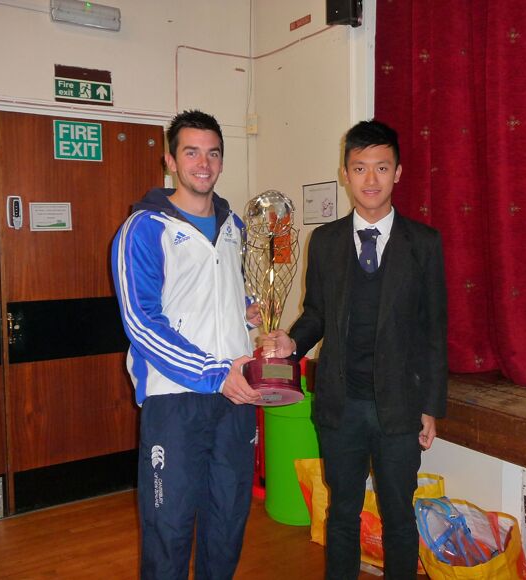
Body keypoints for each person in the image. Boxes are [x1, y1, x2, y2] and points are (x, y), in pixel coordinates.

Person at [263, 120, 448, 579]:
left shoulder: (424, 243)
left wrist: (431, 406)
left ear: (398, 172)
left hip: (399, 406)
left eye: (381, 167)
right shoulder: (325, 241)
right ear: (345, 173)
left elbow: (434, 331)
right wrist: (292, 341)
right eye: (360, 167)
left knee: (399, 515)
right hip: (341, 404)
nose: (370, 179)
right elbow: (316, 314)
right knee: (342, 512)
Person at [111, 109, 262, 580]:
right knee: (169, 528)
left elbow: (222, 292)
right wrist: (213, 374)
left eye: (213, 153)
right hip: (175, 400)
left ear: (222, 161)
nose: (203, 163)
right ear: (171, 161)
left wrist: (250, 312)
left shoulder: (235, 226)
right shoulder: (144, 228)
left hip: (235, 398)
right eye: (191, 152)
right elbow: (142, 321)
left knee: (227, 522)